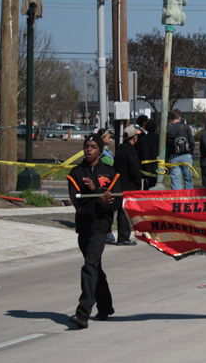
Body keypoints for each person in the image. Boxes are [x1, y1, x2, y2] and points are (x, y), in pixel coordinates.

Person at [66, 134, 122, 329]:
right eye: (86, 146)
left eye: (93, 147)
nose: (89, 150)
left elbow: (115, 203)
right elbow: (78, 204)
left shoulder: (109, 173)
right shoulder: (76, 173)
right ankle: (105, 306)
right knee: (94, 266)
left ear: (100, 150)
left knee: (89, 265)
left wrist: (96, 190)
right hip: (84, 225)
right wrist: (97, 198)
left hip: (100, 225)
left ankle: (83, 313)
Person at [112, 126, 141, 246]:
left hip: (119, 183)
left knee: (121, 211)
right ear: (134, 137)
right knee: (126, 212)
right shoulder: (131, 151)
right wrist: (138, 183)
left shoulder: (120, 150)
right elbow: (134, 170)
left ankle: (122, 235)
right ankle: (123, 237)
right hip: (129, 185)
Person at [166, 109, 195, 190]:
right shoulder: (186, 127)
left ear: (171, 118)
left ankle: (177, 196)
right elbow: (192, 141)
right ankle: (189, 196)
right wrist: (191, 153)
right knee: (188, 179)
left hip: (174, 156)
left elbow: (166, 144)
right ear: (179, 117)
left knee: (175, 180)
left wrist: (169, 155)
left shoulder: (168, 128)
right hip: (186, 155)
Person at [137, 119, 160, 190]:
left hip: (145, 167)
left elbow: (138, 153)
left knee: (147, 186)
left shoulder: (142, 140)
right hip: (158, 166)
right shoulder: (159, 139)